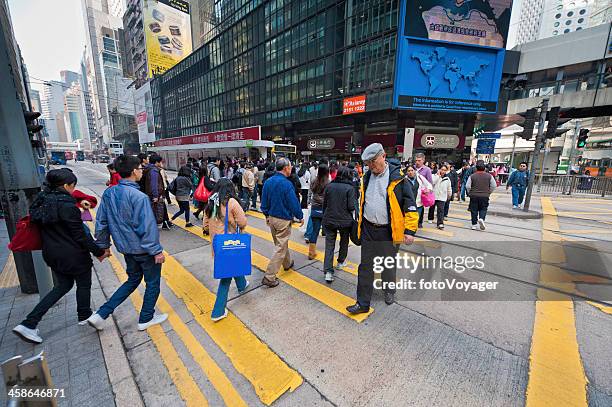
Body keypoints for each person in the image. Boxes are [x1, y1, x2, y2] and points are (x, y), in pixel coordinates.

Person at [12, 169, 109, 344]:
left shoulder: (41, 201)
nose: (73, 189)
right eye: (72, 186)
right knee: (84, 283)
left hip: (52, 253)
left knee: (63, 285)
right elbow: (80, 235)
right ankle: (83, 314)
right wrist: (99, 251)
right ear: (65, 186)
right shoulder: (66, 205)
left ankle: (30, 322)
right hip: (73, 254)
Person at [87, 155, 167, 331]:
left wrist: (104, 245)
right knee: (152, 283)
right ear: (133, 172)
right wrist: (156, 251)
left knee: (132, 280)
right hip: (144, 251)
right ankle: (146, 317)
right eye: (140, 169)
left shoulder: (109, 193)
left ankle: (101, 314)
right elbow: (147, 227)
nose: (141, 172)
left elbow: (101, 222)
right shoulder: (138, 197)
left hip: (126, 249)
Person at [346, 144, 418, 314]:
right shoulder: (367, 177)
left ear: (383, 156)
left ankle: (389, 290)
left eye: (373, 162)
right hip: (369, 229)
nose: (371, 166)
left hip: (388, 231)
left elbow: (410, 205)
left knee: (388, 263)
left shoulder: (399, 179)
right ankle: (362, 303)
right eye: (368, 163)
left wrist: (409, 231)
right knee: (365, 266)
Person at [204, 178, 249, 321]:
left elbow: (205, 225)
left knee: (230, 267)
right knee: (225, 278)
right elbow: (242, 222)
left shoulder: (211, 202)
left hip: (217, 245)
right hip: (230, 245)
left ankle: (242, 284)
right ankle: (218, 311)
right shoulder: (232, 202)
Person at [260, 158, 304, 287]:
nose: (291, 169)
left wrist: (266, 215)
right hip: (283, 219)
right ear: (285, 168)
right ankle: (269, 276)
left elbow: (264, 202)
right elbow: (293, 203)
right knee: (280, 246)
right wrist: (300, 216)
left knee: (280, 243)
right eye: (290, 166)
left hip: (271, 218)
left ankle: (287, 263)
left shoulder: (268, 182)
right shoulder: (286, 184)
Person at [321, 166, 355, 283]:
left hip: (329, 220)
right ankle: (340, 262)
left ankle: (328, 272)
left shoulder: (329, 186)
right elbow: (351, 206)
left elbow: (324, 204)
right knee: (344, 241)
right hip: (345, 221)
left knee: (329, 245)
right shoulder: (350, 188)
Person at [305, 164, 330, 259]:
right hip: (325, 209)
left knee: (315, 231)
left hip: (315, 208)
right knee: (328, 232)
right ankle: (328, 253)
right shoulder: (328, 182)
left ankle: (311, 253)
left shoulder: (314, 181)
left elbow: (310, 193)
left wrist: (308, 202)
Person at [466, 160, 497, 231]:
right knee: (483, 208)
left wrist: (470, 193)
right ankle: (481, 218)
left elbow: (468, 186)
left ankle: (474, 224)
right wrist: (489, 192)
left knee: (474, 210)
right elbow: (494, 186)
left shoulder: (472, 176)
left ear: (476, 168)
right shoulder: (489, 176)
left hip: (474, 195)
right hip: (485, 196)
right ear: (484, 168)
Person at [143, 155, 170, 229]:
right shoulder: (154, 171)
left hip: (150, 194)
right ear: (156, 162)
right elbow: (154, 184)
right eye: (160, 162)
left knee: (153, 211)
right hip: (154, 195)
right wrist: (155, 196)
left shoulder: (149, 169)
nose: (161, 163)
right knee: (157, 211)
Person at [427, 164, 452, 229]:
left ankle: (440, 223)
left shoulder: (447, 179)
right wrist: (438, 176)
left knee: (440, 210)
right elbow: (432, 183)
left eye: (445, 170)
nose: (443, 171)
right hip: (434, 195)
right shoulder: (434, 176)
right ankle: (430, 218)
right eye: (442, 169)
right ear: (439, 169)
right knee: (432, 208)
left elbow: (449, 188)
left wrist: (449, 195)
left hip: (442, 197)